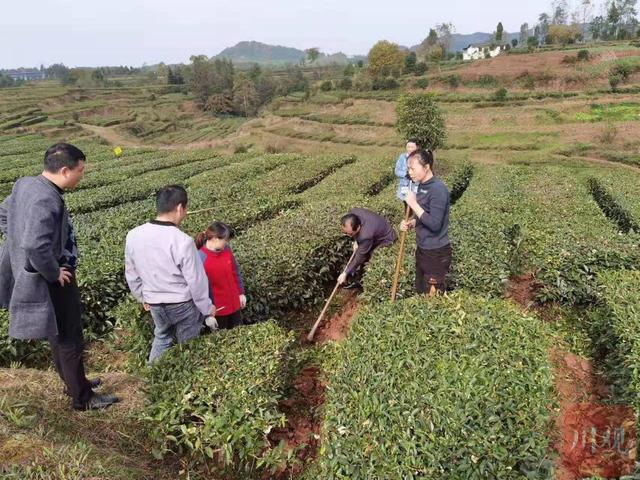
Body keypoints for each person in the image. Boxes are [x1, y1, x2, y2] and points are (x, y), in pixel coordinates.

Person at [0, 143, 118, 411]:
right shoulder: (46, 198)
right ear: (65, 170)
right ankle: (83, 399)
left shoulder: (26, 184)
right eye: (80, 170)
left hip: (47, 273)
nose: (82, 175)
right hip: (53, 279)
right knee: (70, 335)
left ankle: (75, 383)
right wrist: (53, 271)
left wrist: (17, 241)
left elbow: (3, 213)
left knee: (58, 333)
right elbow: (34, 245)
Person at [124, 185, 216, 363]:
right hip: (181, 303)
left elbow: (131, 272)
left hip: (155, 303)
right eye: (186, 208)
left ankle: (152, 379)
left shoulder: (134, 235)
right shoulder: (182, 241)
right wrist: (207, 308)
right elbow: (196, 281)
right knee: (188, 345)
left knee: (162, 338)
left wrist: (142, 297)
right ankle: (186, 380)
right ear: (180, 208)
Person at [400, 149, 452, 295]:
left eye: (413, 168)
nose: (410, 172)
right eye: (408, 168)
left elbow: (435, 224)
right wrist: (412, 223)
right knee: (421, 291)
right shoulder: (422, 185)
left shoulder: (438, 189)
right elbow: (425, 215)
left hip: (436, 252)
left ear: (427, 167)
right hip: (423, 248)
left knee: (432, 298)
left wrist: (413, 204)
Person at [195, 221, 246, 330]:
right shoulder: (200, 258)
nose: (227, 242)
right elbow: (199, 290)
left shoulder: (227, 250)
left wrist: (241, 293)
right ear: (215, 238)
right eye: (225, 240)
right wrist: (207, 315)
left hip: (235, 306)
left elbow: (235, 271)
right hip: (218, 312)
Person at [338, 208, 397, 289]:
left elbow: (360, 256)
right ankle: (358, 281)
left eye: (350, 234)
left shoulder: (366, 235)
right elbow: (356, 235)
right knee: (361, 254)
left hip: (386, 239)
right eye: (346, 233)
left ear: (358, 227)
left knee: (369, 257)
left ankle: (365, 284)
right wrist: (356, 240)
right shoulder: (353, 212)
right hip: (375, 230)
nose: (348, 235)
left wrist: (345, 273)